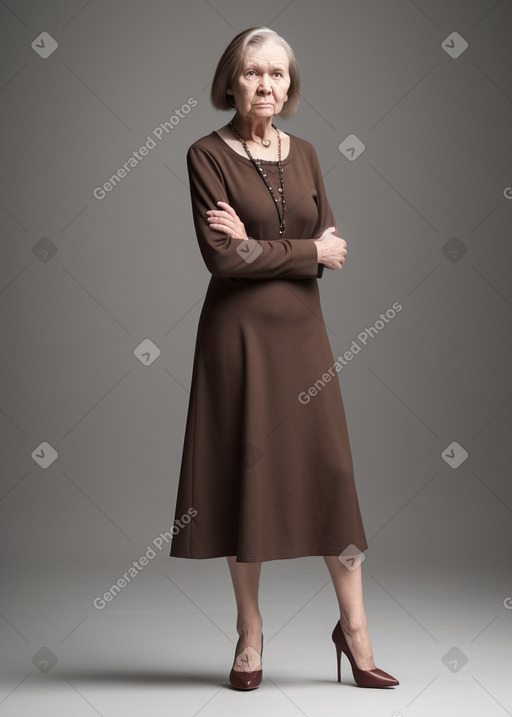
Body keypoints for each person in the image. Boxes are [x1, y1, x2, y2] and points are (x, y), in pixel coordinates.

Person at [169, 26, 399, 691]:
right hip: (237, 343)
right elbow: (224, 258)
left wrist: (266, 248)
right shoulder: (204, 154)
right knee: (249, 484)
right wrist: (299, 254)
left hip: (305, 341)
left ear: (289, 84)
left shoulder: (308, 153)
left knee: (332, 476)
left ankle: (355, 632)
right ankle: (249, 635)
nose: (267, 85)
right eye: (252, 73)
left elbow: (332, 242)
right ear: (230, 81)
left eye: (278, 74)